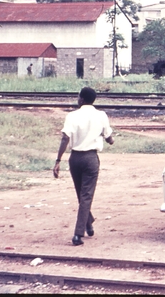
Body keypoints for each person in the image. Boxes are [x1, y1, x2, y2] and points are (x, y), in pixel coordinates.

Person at [53, 87, 114, 246]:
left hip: (75, 158)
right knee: (86, 196)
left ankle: (88, 224)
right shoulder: (101, 115)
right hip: (91, 159)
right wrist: (110, 140)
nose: (77, 98)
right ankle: (78, 234)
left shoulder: (72, 116)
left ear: (82, 99)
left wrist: (58, 160)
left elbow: (65, 138)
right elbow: (109, 137)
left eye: (78, 96)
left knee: (81, 194)